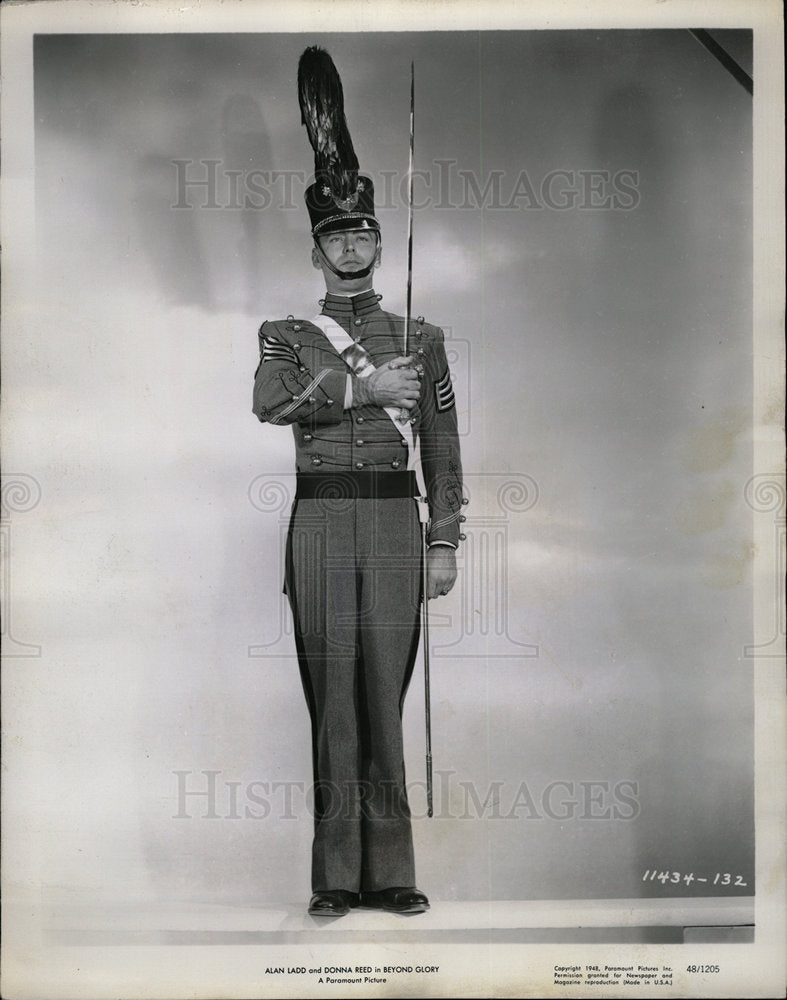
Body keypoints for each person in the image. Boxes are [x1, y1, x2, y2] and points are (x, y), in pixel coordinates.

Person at [252, 48, 465, 917]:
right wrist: (361, 388)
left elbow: (445, 443)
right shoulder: (285, 332)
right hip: (319, 526)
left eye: (365, 232)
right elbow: (268, 405)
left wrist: (444, 538)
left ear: (380, 239)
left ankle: (393, 873)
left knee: (385, 693)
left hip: (392, 527)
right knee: (331, 696)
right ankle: (335, 877)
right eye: (338, 234)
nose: (353, 244)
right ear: (316, 245)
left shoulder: (422, 333)